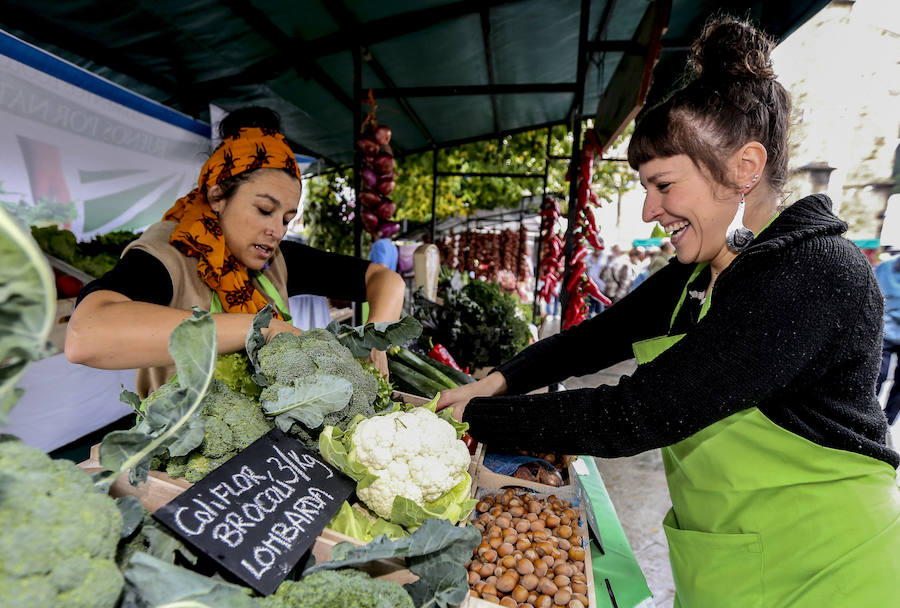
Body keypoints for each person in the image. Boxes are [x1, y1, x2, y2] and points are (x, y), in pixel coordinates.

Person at [439, 16, 899, 606]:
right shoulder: (702, 271)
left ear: (744, 169)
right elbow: (601, 337)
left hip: (831, 568)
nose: (651, 210)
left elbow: (637, 413)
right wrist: (500, 380)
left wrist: (479, 417)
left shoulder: (816, 273)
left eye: (663, 185)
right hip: (730, 558)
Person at [66, 106, 405, 397]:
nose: (276, 230)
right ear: (217, 197)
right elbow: (85, 335)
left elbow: (385, 280)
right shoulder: (168, 254)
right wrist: (262, 329)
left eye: (286, 218)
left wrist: (375, 341)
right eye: (263, 210)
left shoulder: (277, 259)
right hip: (178, 460)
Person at [875, 250, 900, 425]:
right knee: (878, 373)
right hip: (886, 331)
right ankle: (864, 415)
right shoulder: (885, 268)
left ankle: (887, 423)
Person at [586, 244, 608, 316]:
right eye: (595, 247)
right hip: (589, 287)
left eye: (598, 247)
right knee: (587, 311)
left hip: (600, 288)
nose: (596, 249)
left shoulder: (605, 258)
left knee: (600, 309)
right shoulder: (588, 257)